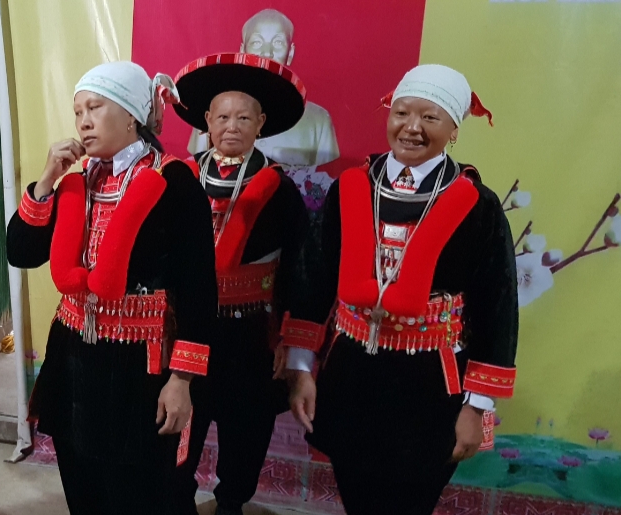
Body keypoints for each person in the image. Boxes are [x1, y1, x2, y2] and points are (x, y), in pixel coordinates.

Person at [282, 64, 517, 515]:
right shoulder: (351, 188)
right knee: (357, 497)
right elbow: (313, 277)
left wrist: (477, 408)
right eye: (402, 113)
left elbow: (498, 308)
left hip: (430, 388)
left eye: (430, 117)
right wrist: (300, 368)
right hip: (353, 377)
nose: (411, 127)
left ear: (453, 129)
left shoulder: (479, 206)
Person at [6, 61, 217, 514]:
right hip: (73, 359)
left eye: (95, 107)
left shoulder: (175, 182)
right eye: (78, 111)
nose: (83, 120)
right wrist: (46, 180)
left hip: (139, 369)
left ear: (131, 115)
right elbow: (21, 252)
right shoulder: (75, 181)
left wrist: (181, 380)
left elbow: (199, 288)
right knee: (81, 484)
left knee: (137, 492)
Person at [169, 53, 310, 515]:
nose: (232, 126)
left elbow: (299, 266)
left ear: (261, 123)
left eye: (244, 118)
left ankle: (231, 504)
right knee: (180, 427)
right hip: (189, 330)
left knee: (245, 431)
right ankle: (179, 501)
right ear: (207, 120)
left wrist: (289, 338)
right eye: (223, 117)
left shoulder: (281, 189)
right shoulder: (180, 179)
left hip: (250, 335)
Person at [187, 9, 339, 172]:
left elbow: (325, 177)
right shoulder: (214, 112)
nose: (267, 52)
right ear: (243, 51)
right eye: (257, 43)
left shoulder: (318, 121)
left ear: (290, 53)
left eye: (278, 43)